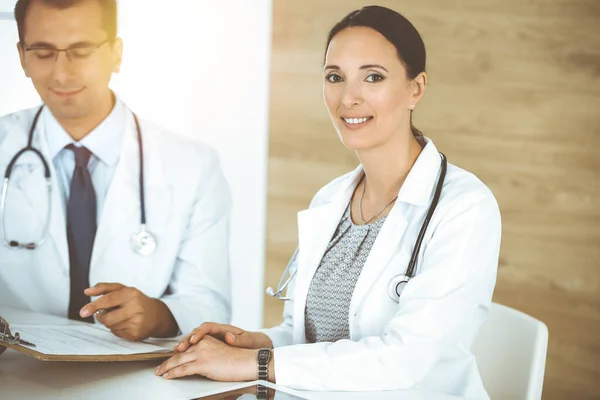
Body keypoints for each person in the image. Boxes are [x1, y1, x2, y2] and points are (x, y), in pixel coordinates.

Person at [155, 5, 501, 399]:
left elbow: (408, 359)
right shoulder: (331, 201)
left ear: (415, 89)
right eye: (335, 77)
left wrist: (256, 364)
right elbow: (306, 337)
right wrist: (251, 342)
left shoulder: (465, 208)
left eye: (373, 77)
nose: (348, 97)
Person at [0, 0, 231, 342]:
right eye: (43, 52)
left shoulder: (194, 166)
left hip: (136, 378)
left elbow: (209, 304)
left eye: (81, 51)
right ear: (22, 57)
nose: (62, 73)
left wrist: (161, 315)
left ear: (115, 54)